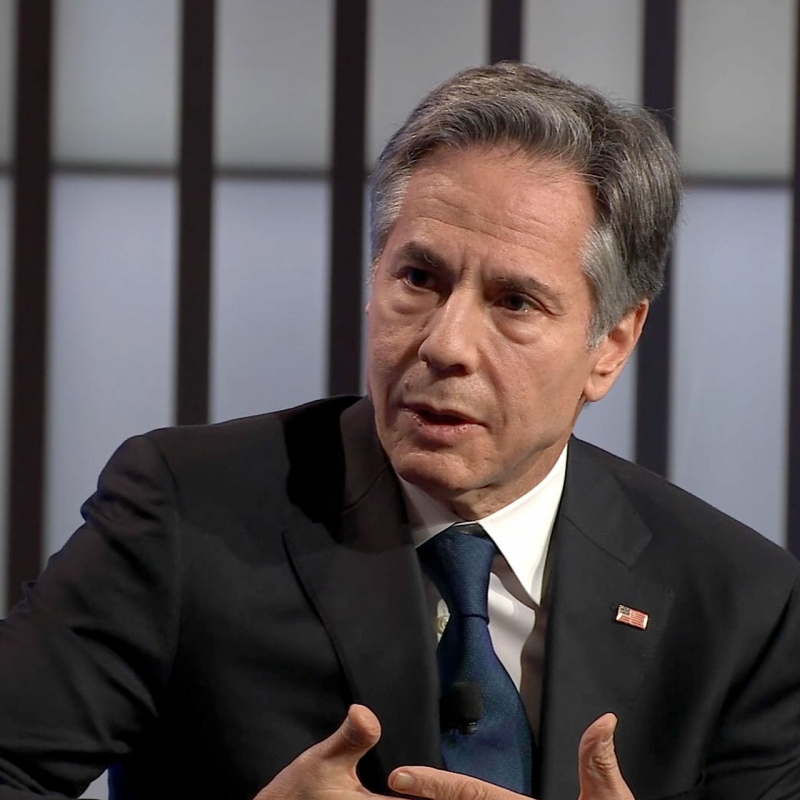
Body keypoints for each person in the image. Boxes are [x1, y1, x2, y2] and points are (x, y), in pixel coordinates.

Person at [1, 62, 799, 800]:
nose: (446, 345)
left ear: (612, 346)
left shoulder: (738, 605)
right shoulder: (186, 513)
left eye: (515, 302)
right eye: (419, 278)